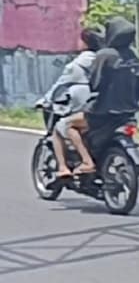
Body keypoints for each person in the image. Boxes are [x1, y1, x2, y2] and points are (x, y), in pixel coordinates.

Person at [63, 16, 139, 175]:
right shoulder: (133, 57)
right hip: (129, 112)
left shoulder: (105, 55)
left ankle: (87, 161)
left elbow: (95, 83)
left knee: (69, 125)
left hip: (103, 111)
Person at [45, 27, 104, 178]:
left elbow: (60, 84)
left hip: (89, 108)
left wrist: (45, 100)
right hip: (108, 108)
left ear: (85, 42)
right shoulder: (105, 60)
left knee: (62, 127)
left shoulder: (77, 65)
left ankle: (65, 167)